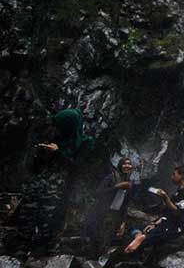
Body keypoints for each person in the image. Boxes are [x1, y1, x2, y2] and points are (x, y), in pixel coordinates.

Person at [11, 107, 92, 255]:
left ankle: (43, 251)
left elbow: (78, 168)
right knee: (26, 216)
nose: (57, 129)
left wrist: (57, 153)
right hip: (36, 186)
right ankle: (20, 248)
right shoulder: (53, 137)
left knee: (48, 222)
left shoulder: (84, 143)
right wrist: (40, 155)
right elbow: (35, 168)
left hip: (58, 191)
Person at [124, 165, 184, 253]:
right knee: (134, 227)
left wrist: (165, 198)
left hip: (174, 228)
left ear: (182, 176)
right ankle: (139, 237)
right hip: (166, 222)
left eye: (174, 174)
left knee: (141, 241)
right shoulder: (179, 191)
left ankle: (142, 239)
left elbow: (177, 213)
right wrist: (154, 223)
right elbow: (168, 213)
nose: (172, 177)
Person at [85, 157, 136, 256]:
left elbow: (126, 204)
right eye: (125, 164)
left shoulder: (129, 183)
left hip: (115, 215)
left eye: (129, 164)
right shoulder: (111, 177)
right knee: (95, 238)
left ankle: (97, 260)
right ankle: (88, 259)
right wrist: (116, 187)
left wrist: (123, 222)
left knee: (106, 240)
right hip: (102, 211)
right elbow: (97, 193)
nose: (127, 166)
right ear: (120, 165)